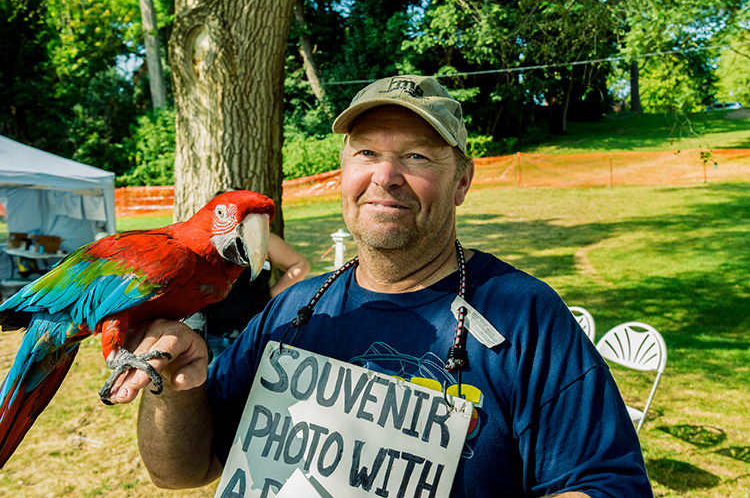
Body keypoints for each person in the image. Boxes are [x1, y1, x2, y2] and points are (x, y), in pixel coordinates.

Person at [112, 75, 653, 497]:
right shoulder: (295, 310)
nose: (386, 175)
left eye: (416, 156)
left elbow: (609, 485)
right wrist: (176, 392)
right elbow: (180, 472)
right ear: (345, 170)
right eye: (367, 152)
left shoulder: (524, 316)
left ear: (462, 179)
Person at [185, 231, 310, 363]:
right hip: (214, 336)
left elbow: (300, 265)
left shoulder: (264, 238)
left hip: (255, 334)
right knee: (214, 381)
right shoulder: (207, 237)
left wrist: (271, 295)